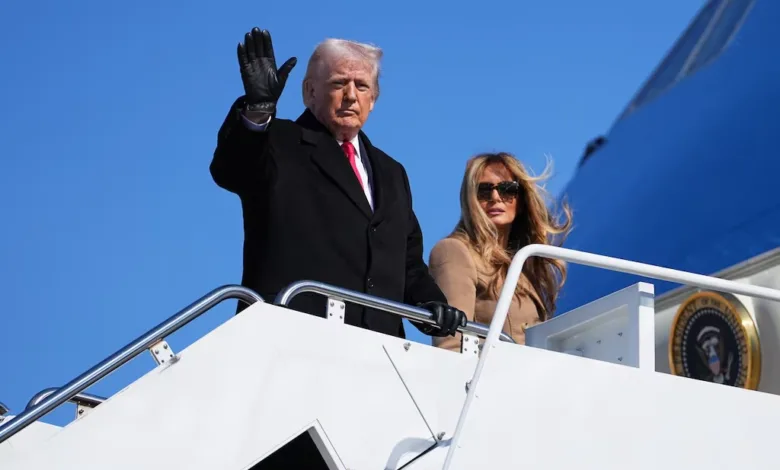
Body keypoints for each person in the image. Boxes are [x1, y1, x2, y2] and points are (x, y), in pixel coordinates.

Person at [210, 27, 467, 339]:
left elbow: (406, 263)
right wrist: (258, 109)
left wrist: (432, 304)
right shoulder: (277, 141)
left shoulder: (391, 172)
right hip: (291, 339)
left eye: (362, 85)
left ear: (373, 99)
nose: (351, 95)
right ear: (309, 92)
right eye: (338, 83)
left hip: (378, 349)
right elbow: (231, 170)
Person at [428, 152, 573, 351]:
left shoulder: (525, 263)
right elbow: (451, 345)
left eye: (507, 189)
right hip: (487, 370)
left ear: (521, 200)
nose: (495, 197)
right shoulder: (454, 251)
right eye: (484, 190)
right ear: (470, 200)